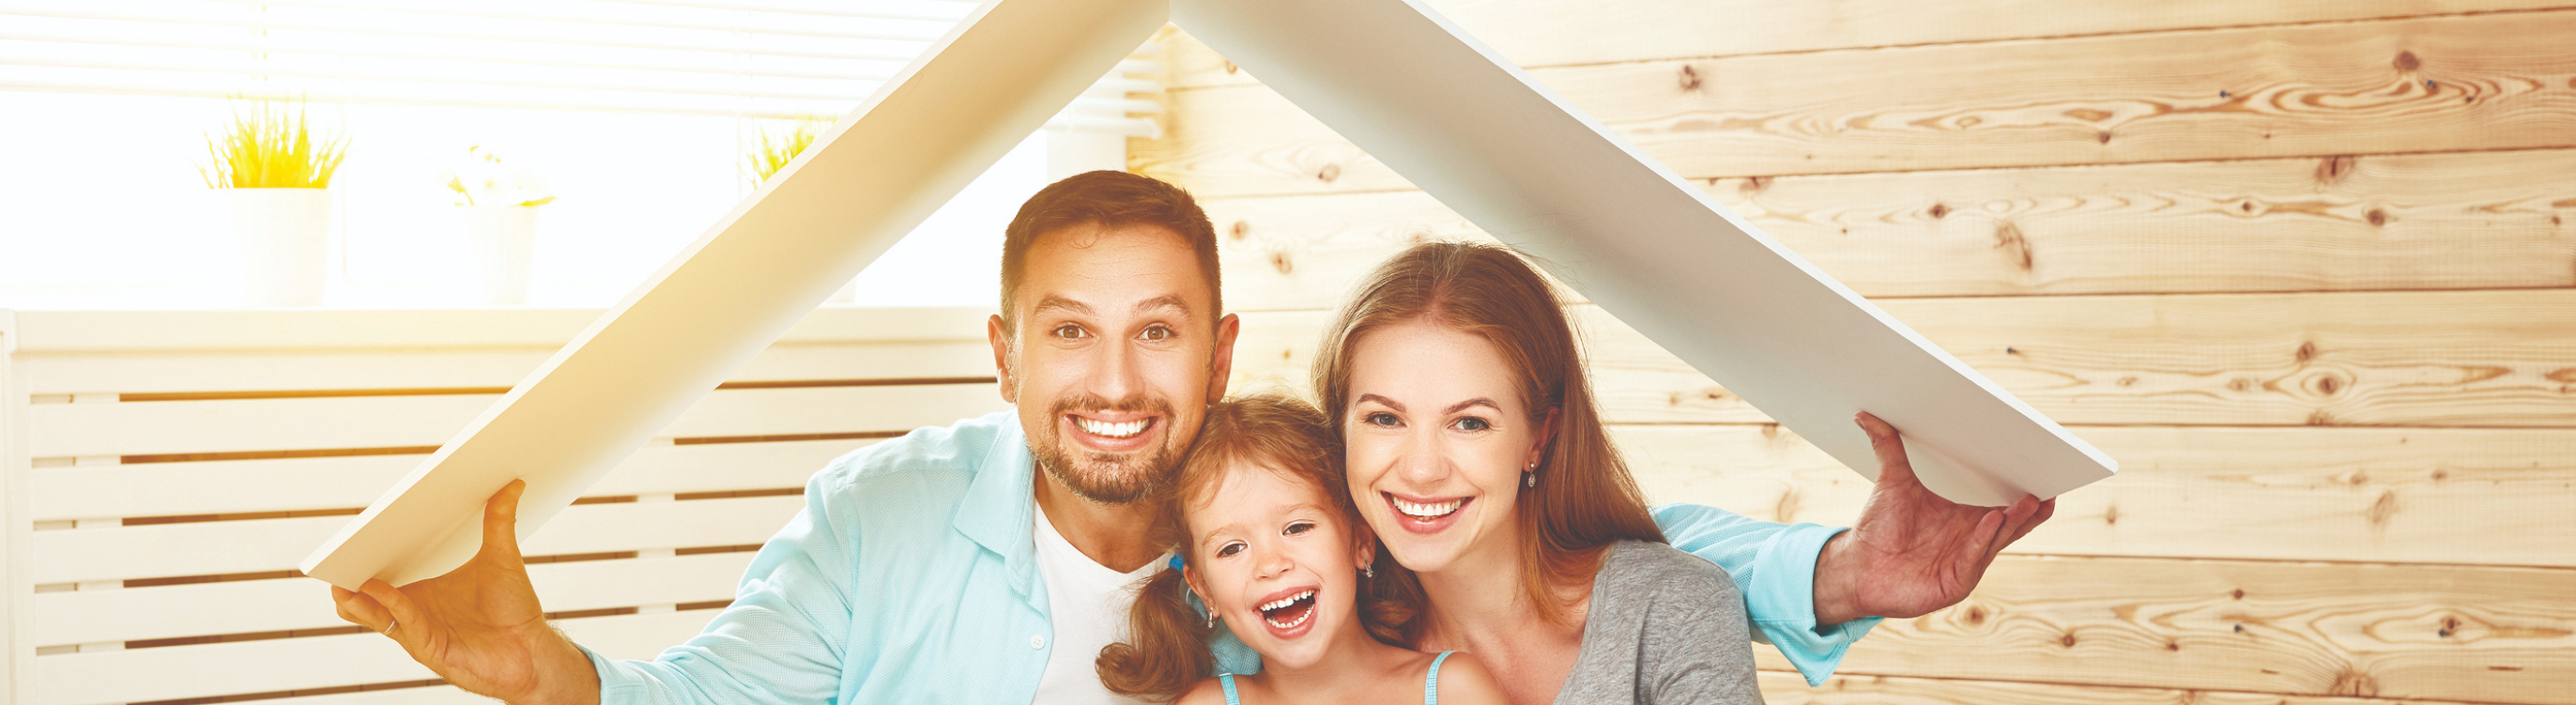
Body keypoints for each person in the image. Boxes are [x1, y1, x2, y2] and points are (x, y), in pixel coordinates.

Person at [326, 171, 2044, 705]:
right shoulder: (881, 518)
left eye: (1157, 330)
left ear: (1220, 352)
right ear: (1003, 355)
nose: (1113, 379)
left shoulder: (1311, 525)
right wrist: (556, 674)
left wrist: (1831, 569)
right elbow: (721, 692)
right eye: (1067, 333)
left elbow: (1569, 552)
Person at [1313, 241, 2054, 704]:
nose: (1418, 465)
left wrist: (1838, 572)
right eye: (1382, 417)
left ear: (1540, 435)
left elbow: (1671, 559)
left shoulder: (1667, 609)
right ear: (1338, 426)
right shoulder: (1301, 633)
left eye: (1469, 421)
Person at [1095, 394, 1506, 705]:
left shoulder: (1453, 690)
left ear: (1361, 542)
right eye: (1231, 548)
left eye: (1297, 526)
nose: (1271, 565)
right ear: (1203, 589)